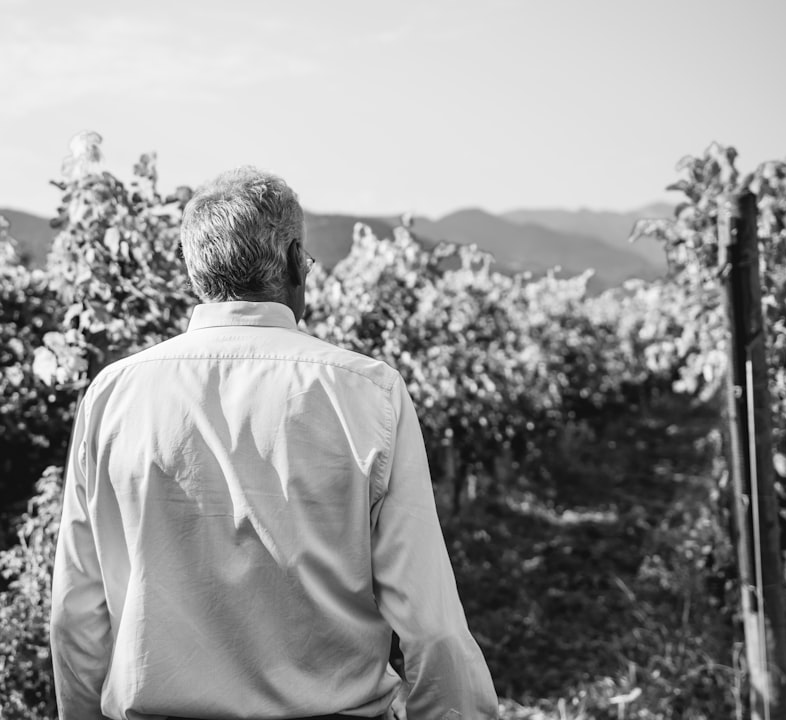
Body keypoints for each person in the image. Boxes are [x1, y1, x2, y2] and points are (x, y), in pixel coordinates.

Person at [50, 166, 498, 720]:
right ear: (291, 260)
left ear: (197, 274)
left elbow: (76, 612)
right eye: (305, 262)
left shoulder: (114, 394)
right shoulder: (365, 393)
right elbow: (432, 626)